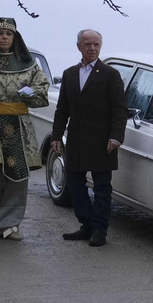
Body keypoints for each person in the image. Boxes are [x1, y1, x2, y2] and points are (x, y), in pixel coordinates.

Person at [0, 17, 50, 240]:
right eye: (0, 34)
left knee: (17, 176)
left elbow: (42, 92)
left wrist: (31, 93)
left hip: (18, 126)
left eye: (9, 34)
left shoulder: (29, 64)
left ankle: (9, 224)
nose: (5, 38)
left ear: (15, 38)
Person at [51, 29, 126, 246]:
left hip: (104, 142)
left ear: (100, 47)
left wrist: (116, 137)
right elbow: (62, 109)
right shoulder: (69, 74)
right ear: (79, 47)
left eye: (96, 45)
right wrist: (57, 135)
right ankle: (87, 224)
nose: (92, 48)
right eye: (87, 45)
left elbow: (120, 110)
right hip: (76, 139)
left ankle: (99, 230)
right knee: (74, 184)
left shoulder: (111, 75)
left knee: (102, 187)